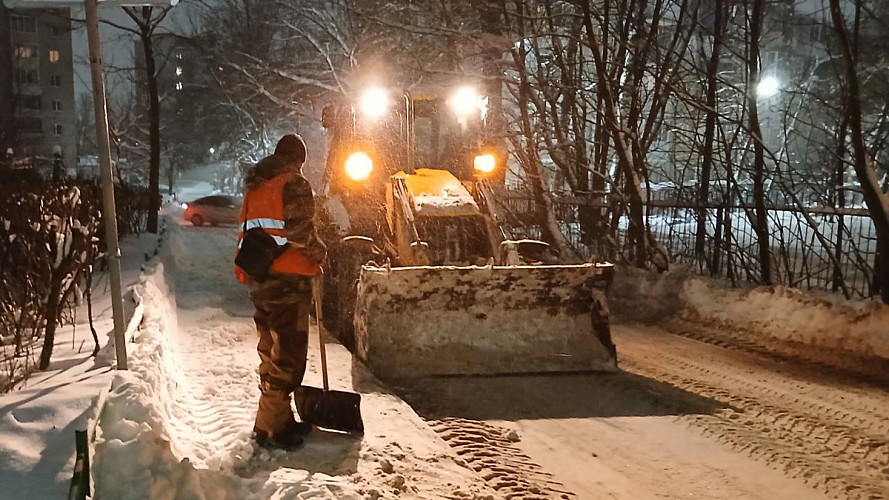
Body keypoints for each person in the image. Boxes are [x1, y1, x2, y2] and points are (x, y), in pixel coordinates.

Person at [235, 134, 327, 450]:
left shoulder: (257, 185)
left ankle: (279, 420)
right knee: (288, 356)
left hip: (260, 279)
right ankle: (269, 427)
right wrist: (318, 251)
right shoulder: (294, 184)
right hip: (288, 284)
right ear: (297, 160)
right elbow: (300, 230)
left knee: (269, 351)